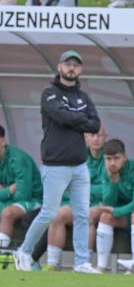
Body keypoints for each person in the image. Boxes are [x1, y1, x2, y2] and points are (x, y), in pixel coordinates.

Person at [14, 50, 101, 274]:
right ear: (60, 67)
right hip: (55, 165)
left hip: (79, 166)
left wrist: (73, 117)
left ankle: (82, 262)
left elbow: (95, 124)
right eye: (68, 64)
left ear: (80, 69)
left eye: (76, 64)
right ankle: (23, 251)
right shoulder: (49, 93)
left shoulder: (84, 97)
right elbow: (61, 117)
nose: (71, 67)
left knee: (83, 214)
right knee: (49, 213)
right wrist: (79, 118)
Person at [38, 125, 108, 270]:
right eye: (92, 135)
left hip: (104, 205)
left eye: (99, 135)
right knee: (57, 215)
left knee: (86, 215)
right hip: (79, 202)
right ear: (85, 137)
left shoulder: (111, 155)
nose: (95, 139)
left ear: (105, 136)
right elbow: (69, 186)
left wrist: (84, 189)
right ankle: (51, 264)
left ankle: (84, 263)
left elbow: (108, 190)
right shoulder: (78, 156)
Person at [90, 139, 134, 272]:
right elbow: (108, 202)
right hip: (124, 216)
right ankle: (101, 267)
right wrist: (113, 182)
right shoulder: (106, 171)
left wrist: (115, 211)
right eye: (108, 159)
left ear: (124, 157)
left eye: (116, 158)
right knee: (105, 217)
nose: (112, 163)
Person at [0, 126, 43, 250]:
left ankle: (1, 255)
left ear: (2, 141)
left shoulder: (18, 159)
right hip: (11, 200)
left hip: (34, 200)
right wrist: (9, 190)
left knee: (7, 213)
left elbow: (23, 195)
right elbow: (12, 192)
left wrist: (3, 192)